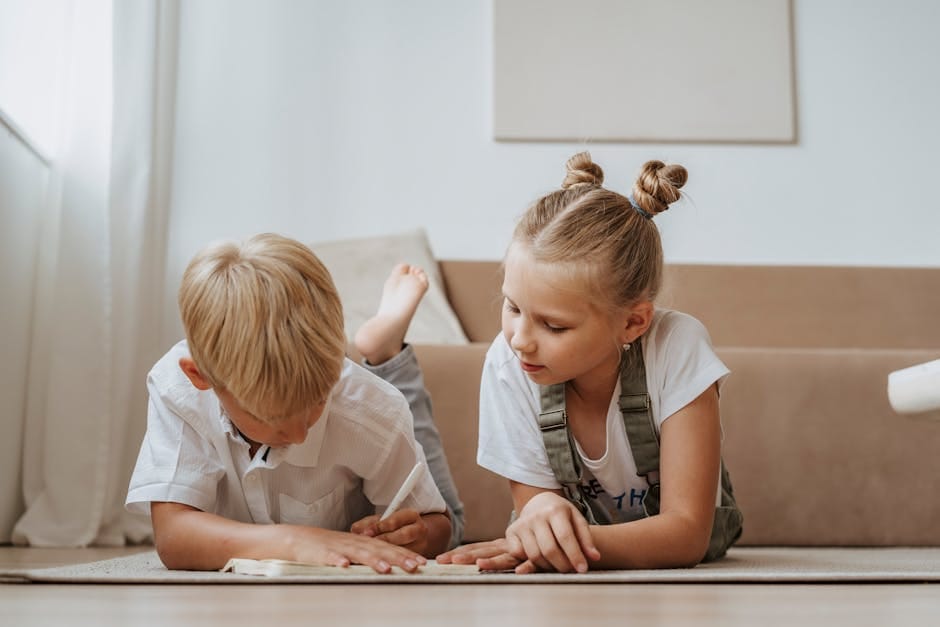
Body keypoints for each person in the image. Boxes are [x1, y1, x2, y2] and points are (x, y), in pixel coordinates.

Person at [438, 152, 742, 573]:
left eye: (555, 327)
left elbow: (687, 533)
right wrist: (541, 521)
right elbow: (536, 508)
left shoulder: (677, 347)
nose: (521, 341)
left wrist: (560, 546)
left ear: (632, 322)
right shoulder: (507, 365)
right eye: (512, 307)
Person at [126, 233, 464, 572]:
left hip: (376, 404)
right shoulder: (178, 391)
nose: (301, 433)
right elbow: (173, 537)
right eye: (274, 417)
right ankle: (386, 352)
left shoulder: (371, 408)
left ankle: (389, 356)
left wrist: (416, 535)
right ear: (201, 378)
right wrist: (295, 541)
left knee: (454, 515)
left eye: (318, 400)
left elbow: (438, 525)